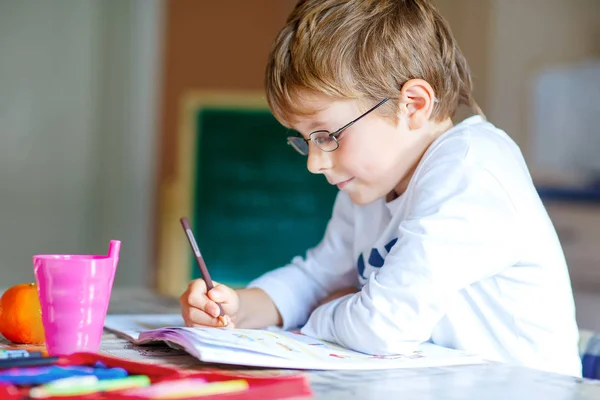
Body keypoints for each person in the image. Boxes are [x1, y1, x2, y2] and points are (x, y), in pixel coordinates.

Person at [180, 0, 581, 376]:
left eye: (327, 135)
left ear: (413, 105)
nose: (315, 162)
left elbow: (384, 326)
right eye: (304, 139)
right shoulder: (369, 188)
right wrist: (239, 307)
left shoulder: (469, 169)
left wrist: (321, 312)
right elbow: (317, 277)